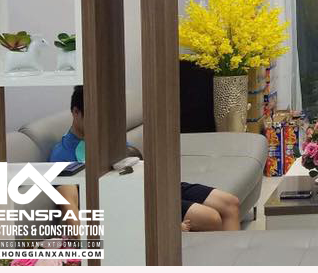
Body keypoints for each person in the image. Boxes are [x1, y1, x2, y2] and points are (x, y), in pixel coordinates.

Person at [50, 86, 242, 231]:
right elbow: (69, 206)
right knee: (211, 218)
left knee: (230, 204)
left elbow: (135, 163)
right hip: (134, 201)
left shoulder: (108, 137)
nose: (102, 123)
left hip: (151, 185)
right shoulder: (63, 154)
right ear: (76, 112)